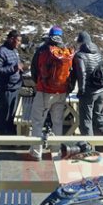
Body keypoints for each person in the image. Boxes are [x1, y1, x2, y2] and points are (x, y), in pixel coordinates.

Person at [27, 26, 74, 161]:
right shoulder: (65, 51)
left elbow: (34, 70)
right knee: (57, 122)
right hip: (61, 92)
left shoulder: (43, 50)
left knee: (37, 122)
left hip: (44, 92)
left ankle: (36, 152)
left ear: (50, 35)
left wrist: (40, 84)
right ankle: (55, 150)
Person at [73, 31, 103, 137]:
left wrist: (81, 90)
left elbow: (81, 73)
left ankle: (89, 148)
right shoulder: (99, 53)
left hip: (89, 92)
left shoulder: (79, 55)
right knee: (100, 117)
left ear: (80, 42)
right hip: (102, 90)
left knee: (86, 120)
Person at [0, 30, 25, 135]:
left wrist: (19, 69)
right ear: (11, 39)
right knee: (3, 114)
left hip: (15, 87)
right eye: (18, 40)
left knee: (11, 115)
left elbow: (14, 66)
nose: (19, 43)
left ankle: (10, 136)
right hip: (6, 89)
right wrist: (14, 68)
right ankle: (1, 138)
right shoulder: (1, 52)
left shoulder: (14, 51)